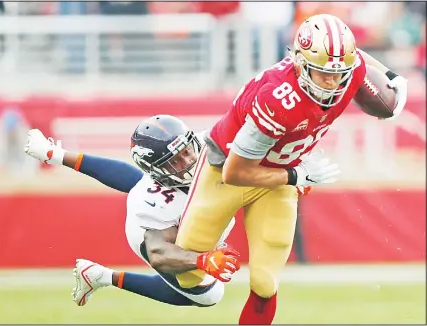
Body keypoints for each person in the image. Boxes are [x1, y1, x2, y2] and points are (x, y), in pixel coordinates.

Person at [173, 13, 408, 325]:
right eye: (322, 73)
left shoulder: (346, 70)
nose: (332, 82)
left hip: (278, 178)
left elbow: (359, 63)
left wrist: (390, 76)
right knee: (188, 276)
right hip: (226, 170)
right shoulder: (278, 100)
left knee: (266, 281)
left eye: (339, 73)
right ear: (299, 62)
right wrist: (297, 176)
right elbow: (235, 172)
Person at [23, 115, 240, 308]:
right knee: (209, 296)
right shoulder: (151, 202)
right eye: (175, 161)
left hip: (176, 200)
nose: (189, 161)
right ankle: (102, 276)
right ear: (157, 170)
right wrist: (202, 260)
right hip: (155, 233)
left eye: (187, 151)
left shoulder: (207, 143)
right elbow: (159, 253)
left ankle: (54, 153)